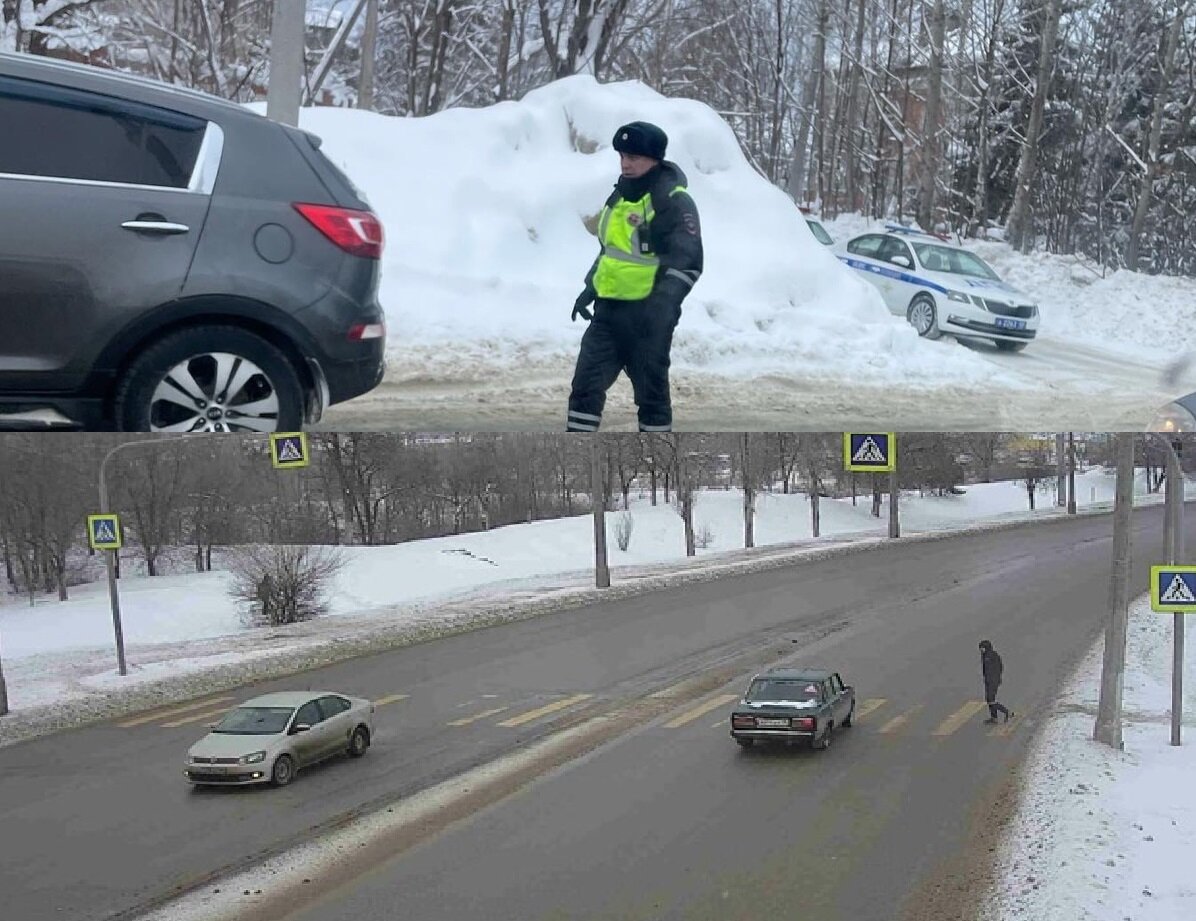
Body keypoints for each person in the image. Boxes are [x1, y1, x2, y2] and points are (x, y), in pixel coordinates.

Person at [566, 121, 703, 433]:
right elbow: (611, 251)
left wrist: (662, 308)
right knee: (584, 390)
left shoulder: (673, 200)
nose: (626, 164)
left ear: (655, 159)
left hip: (648, 319)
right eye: (623, 156)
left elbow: (689, 260)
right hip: (607, 314)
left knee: (651, 400)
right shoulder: (618, 197)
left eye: (635, 158)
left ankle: (659, 461)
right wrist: (589, 288)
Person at [979, 640, 1013, 724]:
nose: (980, 650)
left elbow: (999, 667)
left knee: (991, 700)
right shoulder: (985, 655)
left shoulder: (992, 655)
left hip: (993, 681)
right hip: (988, 680)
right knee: (989, 699)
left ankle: (1007, 712)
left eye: (982, 648)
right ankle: (994, 718)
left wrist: (995, 679)